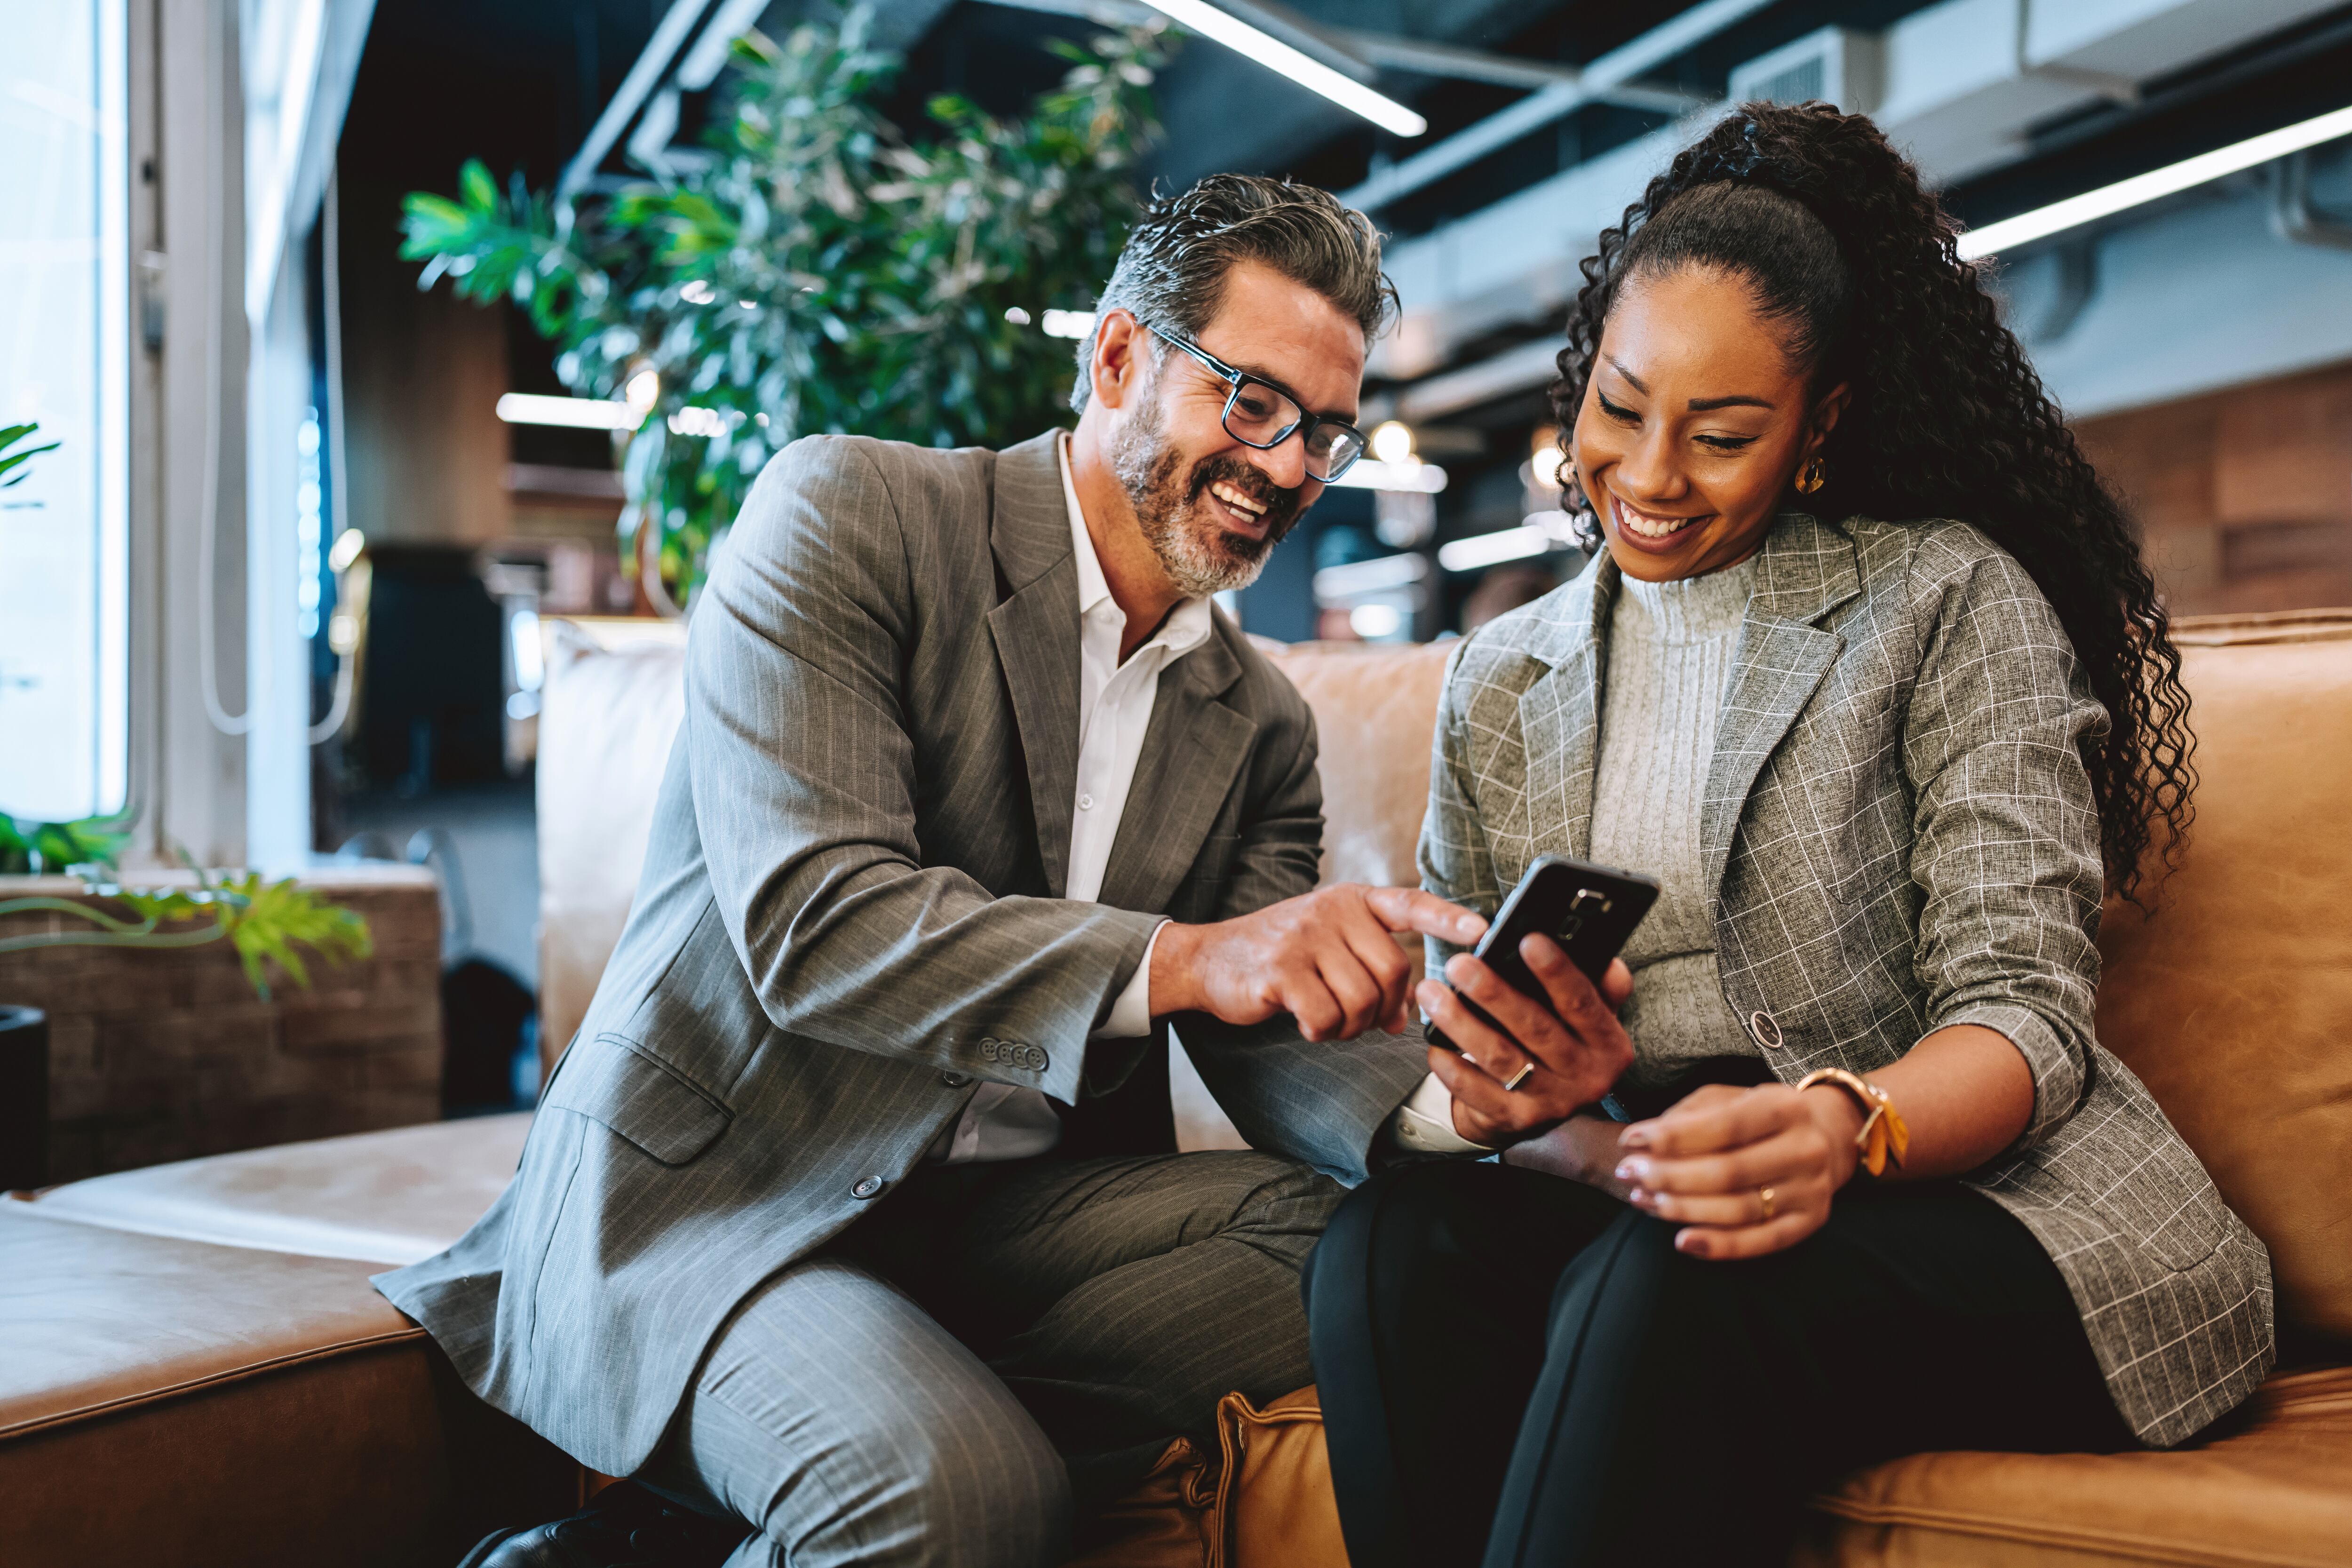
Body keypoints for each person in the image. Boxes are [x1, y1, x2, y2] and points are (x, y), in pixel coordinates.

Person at [380, 175, 1572, 1568]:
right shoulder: (851, 515)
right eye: (1252, 402)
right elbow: (819, 924)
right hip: (728, 1200)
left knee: (1398, 1259)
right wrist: (1192, 955)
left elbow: (1263, 1044)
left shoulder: (1259, 723)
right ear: (1120, 355)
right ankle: (833, 1465)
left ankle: (689, 1522)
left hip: (1001, 1230)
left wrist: (1474, 1114)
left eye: (1324, 433)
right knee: (969, 1499)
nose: (1292, 466)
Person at [1303, 103, 2274, 1568]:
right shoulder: (1504, 679)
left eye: (1724, 433)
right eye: (1620, 406)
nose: (1646, 476)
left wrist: (1839, 1123)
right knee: (1394, 1254)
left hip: (1994, 1208)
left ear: (1817, 431)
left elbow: (2025, 1015)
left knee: (1675, 1285)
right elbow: (1489, 1066)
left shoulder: (1946, 602)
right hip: (1660, 1197)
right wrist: (1528, 1104)